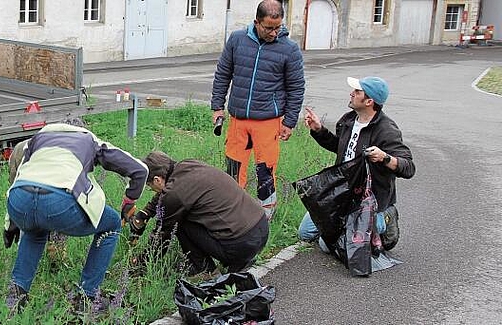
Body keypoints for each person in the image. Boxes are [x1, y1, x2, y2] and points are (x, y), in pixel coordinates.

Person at [4, 123, 148, 315]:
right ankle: (87, 297)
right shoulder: (90, 140)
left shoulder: (37, 139)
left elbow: (20, 177)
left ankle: (15, 298)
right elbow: (140, 170)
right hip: (59, 200)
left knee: (34, 231)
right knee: (112, 224)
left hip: (19, 200)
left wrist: (11, 223)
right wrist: (129, 201)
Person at [211, 0, 305, 219]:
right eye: (269, 28)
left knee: (265, 169)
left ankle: (266, 216)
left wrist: (289, 122)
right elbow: (223, 74)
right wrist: (217, 107)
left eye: (278, 27)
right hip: (238, 120)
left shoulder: (289, 49)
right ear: (257, 22)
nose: (274, 33)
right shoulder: (237, 40)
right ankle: (233, 212)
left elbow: (296, 88)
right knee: (234, 169)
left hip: (268, 122)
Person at [298, 76, 415, 251]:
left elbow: (408, 168)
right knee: (305, 233)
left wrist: (385, 158)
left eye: (357, 91)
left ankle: (385, 218)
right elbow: (341, 147)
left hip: (368, 199)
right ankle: (346, 228)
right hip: (341, 192)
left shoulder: (387, 130)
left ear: (369, 101)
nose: (351, 93)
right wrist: (319, 130)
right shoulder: (348, 120)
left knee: (326, 244)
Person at [128, 151, 269, 277]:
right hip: (261, 228)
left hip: (241, 244)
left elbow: (162, 236)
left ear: (157, 180)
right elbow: (168, 192)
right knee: (183, 212)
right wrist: (145, 213)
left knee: (178, 223)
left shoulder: (174, 194)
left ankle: (204, 270)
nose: (153, 190)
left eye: (150, 187)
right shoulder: (188, 165)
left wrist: (141, 262)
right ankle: (241, 260)